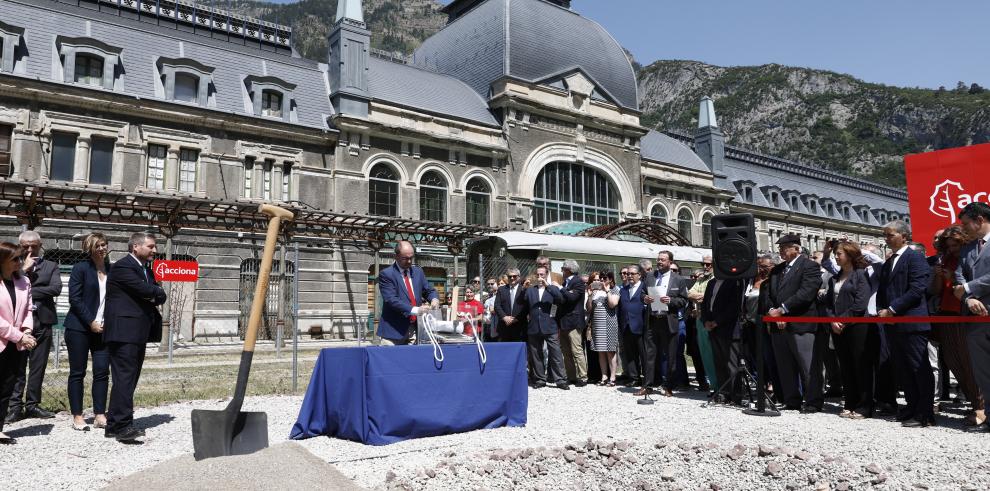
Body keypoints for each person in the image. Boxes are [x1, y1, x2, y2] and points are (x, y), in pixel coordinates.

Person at [104, 232, 167, 442]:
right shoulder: (123, 267)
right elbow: (146, 290)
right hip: (124, 332)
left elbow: (158, 293)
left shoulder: (145, 269)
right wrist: (153, 292)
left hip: (136, 332)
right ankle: (123, 426)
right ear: (135, 247)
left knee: (127, 379)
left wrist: (153, 292)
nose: (154, 250)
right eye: (150, 246)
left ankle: (113, 424)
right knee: (125, 378)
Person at [878, 220, 935, 428]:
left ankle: (925, 413)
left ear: (904, 236)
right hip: (893, 324)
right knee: (903, 369)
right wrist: (881, 310)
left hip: (911, 322)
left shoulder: (915, 258)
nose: (886, 239)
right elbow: (883, 290)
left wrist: (892, 309)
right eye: (885, 235)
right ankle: (911, 407)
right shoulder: (889, 261)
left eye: (890, 234)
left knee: (918, 368)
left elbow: (917, 288)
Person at [763, 234, 827, 412]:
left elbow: (807, 292)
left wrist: (783, 309)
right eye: (780, 248)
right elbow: (768, 294)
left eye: (785, 247)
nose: (781, 251)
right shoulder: (777, 270)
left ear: (796, 249)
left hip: (801, 324)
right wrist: (772, 311)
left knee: (808, 366)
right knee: (785, 366)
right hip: (778, 325)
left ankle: (813, 400)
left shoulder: (810, 266)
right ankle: (792, 400)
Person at [6, 230, 62, 423]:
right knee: (17, 367)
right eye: (26, 246)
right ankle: (14, 407)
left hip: (43, 321)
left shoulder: (51, 265)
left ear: (41, 245)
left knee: (38, 366)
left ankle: (32, 405)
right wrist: (23, 271)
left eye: (34, 245)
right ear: (20, 245)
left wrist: (28, 290)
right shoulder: (11, 267)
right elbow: (10, 290)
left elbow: (56, 289)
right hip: (19, 324)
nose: (30, 249)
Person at [933, 227, 985, 428]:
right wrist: (939, 276)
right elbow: (936, 290)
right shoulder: (945, 259)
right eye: (949, 246)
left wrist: (953, 278)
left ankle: (980, 407)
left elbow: (973, 284)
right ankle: (975, 404)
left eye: (955, 245)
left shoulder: (970, 258)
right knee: (953, 361)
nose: (952, 249)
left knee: (968, 362)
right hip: (946, 312)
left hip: (963, 313)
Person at [64, 233, 112, 432]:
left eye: (104, 245)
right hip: (79, 328)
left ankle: (100, 414)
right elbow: (75, 299)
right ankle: (77, 416)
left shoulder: (112, 269)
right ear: (89, 248)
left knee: (102, 371)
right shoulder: (81, 268)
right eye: (97, 245)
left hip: (103, 329)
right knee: (78, 372)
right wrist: (90, 321)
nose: (102, 248)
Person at [825, 241, 876, 419]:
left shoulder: (861, 275)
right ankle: (850, 403)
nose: (836, 257)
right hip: (838, 328)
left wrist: (842, 320)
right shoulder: (836, 277)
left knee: (860, 367)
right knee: (845, 367)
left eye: (839, 254)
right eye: (836, 254)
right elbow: (829, 303)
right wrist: (833, 320)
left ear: (850, 254)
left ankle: (864, 406)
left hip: (857, 327)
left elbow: (860, 303)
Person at [953, 202, 990, 433]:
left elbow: (963, 284)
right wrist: (967, 299)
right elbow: (957, 279)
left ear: (980, 220)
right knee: (983, 372)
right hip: (975, 319)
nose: (963, 228)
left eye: (966, 223)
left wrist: (967, 288)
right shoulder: (967, 249)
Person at [0, 242, 38, 444]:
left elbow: (29, 310)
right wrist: (19, 336)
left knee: (7, 386)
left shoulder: (24, 281)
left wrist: (27, 331)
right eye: (15, 259)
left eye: (20, 258)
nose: (20, 262)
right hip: (7, 339)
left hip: (15, 343)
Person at [642, 251, 690, 397]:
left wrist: (671, 301)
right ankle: (648, 385)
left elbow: (684, 300)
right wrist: (645, 298)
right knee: (650, 354)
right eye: (658, 259)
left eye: (663, 260)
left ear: (670, 262)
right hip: (652, 320)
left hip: (668, 321)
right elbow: (642, 293)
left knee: (670, 355)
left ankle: (668, 385)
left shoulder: (678, 280)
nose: (659, 262)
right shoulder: (650, 277)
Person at [377, 241, 439, 345]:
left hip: (415, 328)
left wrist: (434, 298)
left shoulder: (418, 272)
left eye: (411, 257)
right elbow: (391, 300)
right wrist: (415, 310)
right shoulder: (386, 274)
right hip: (393, 331)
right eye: (405, 258)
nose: (409, 261)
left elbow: (428, 290)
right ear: (396, 256)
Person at [701, 276, 745, 405]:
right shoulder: (711, 282)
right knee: (719, 362)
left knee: (732, 363)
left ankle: (736, 396)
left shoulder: (735, 282)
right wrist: (705, 321)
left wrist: (717, 322)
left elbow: (734, 306)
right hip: (712, 328)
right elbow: (705, 304)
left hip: (728, 328)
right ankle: (723, 394)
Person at [525, 265, 567, 390]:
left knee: (556, 354)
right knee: (536, 354)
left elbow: (560, 299)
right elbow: (522, 302)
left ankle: (560, 380)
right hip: (534, 326)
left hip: (550, 326)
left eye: (542, 274)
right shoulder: (531, 290)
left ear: (546, 275)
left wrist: (548, 285)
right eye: (537, 275)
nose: (539, 277)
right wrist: (524, 288)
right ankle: (540, 379)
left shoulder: (552, 288)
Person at [687, 255, 717, 391]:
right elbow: (689, 294)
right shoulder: (701, 279)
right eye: (703, 264)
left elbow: (713, 297)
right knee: (705, 353)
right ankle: (713, 384)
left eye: (708, 264)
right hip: (700, 319)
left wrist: (702, 298)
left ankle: (719, 383)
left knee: (715, 352)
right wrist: (703, 297)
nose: (705, 267)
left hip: (713, 320)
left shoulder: (717, 279)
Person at [557, 259, 587, 387]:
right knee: (566, 351)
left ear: (569, 269)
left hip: (574, 321)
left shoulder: (578, 282)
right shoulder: (565, 282)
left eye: (563, 268)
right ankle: (571, 376)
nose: (562, 271)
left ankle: (583, 377)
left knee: (576, 350)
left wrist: (560, 289)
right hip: (563, 321)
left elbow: (572, 298)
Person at [618, 264, 648, 388]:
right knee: (630, 355)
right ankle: (634, 378)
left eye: (632, 274)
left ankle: (648, 380)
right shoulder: (623, 289)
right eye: (627, 274)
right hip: (626, 326)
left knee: (644, 355)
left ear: (639, 275)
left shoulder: (644, 287)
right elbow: (620, 308)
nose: (629, 276)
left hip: (641, 327)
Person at [588, 271, 620, 386]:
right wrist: (590, 295)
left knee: (610, 351)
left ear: (610, 279)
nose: (601, 280)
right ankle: (604, 376)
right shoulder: (596, 292)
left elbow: (612, 304)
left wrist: (607, 290)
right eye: (600, 278)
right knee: (600, 351)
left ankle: (612, 377)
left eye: (604, 278)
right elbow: (589, 308)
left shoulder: (614, 289)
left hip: (609, 324)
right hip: (597, 324)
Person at [495, 268, 527, 343]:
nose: (512, 278)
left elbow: (526, 307)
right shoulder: (501, 289)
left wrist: (516, 318)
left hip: (520, 326)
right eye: (510, 276)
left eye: (514, 276)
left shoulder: (524, 289)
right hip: (504, 326)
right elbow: (497, 305)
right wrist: (504, 317)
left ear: (519, 277)